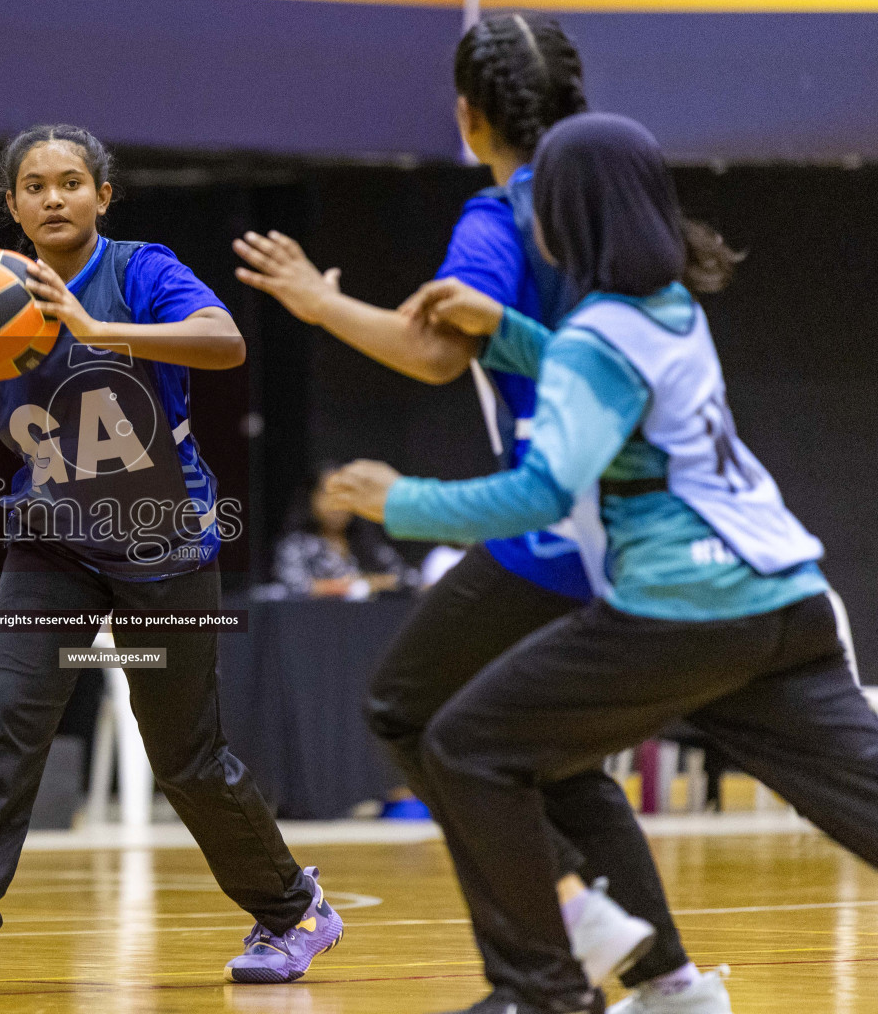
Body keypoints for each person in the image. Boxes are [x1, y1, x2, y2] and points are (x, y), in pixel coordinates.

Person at [324, 112, 878, 1014]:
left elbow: (543, 492)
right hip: (786, 598)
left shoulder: (596, 333)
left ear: (567, 216)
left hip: (686, 604)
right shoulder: (668, 307)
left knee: (467, 745)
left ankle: (549, 994)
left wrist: (402, 500)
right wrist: (504, 329)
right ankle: (662, 989)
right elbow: (608, 382)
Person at [234, 16, 715, 1013]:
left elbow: (436, 352)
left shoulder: (500, 218)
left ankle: (552, 961)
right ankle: (668, 981)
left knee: (406, 706)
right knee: (558, 755)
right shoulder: (621, 204)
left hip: (560, 519)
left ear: (466, 114)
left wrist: (316, 304)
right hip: (655, 515)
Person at [0, 124, 342, 992]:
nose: (54, 198)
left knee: (184, 757)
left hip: (163, 541)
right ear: (13, 206)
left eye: (72, 182)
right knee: (11, 728)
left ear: (102, 196)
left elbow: (225, 341)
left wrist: (98, 327)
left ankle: (293, 908)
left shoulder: (140, 270)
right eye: (34, 186)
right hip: (52, 552)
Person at [273, 470, 408, 597]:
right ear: (312, 497)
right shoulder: (296, 546)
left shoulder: (369, 545)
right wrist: (352, 587)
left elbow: (407, 578)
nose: (336, 504)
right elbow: (295, 586)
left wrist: (372, 583)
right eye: (328, 493)